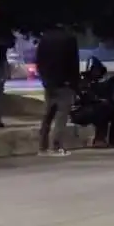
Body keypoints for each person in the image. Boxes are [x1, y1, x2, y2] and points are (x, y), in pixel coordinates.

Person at [35, 26, 79, 157]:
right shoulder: (69, 38)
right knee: (61, 115)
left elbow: (39, 60)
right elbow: (73, 62)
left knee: (47, 115)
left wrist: (44, 78)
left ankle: (42, 147)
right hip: (64, 82)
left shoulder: (44, 38)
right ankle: (57, 145)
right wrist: (74, 83)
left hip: (49, 82)